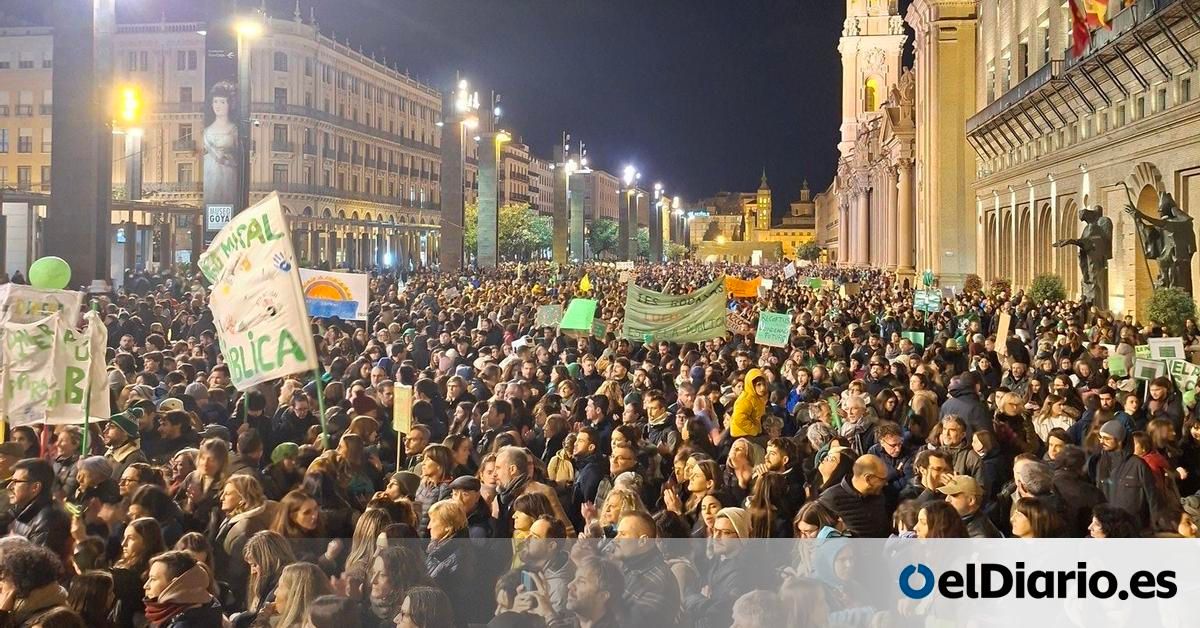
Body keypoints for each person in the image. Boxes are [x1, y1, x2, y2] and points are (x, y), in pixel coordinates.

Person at [610, 511, 681, 628]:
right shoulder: (624, 567)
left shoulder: (658, 583)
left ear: (642, 541)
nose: (615, 540)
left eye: (623, 534)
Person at [1091, 419, 1158, 530]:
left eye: (1107, 438)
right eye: (1100, 437)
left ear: (1120, 441)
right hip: (1108, 528)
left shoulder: (1138, 464)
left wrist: (1153, 526)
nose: (1102, 441)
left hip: (1133, 528)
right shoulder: (1100, 462)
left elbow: (1152, 498)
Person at [5, 458, 72, 561]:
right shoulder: (19, 511)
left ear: (35, 487)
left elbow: (38, 567)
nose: (10, 486)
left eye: (16, 482)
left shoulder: (48, 521)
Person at [141, 550, 223, 627]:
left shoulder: (186, 623)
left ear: (175, 584)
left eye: (153, 579)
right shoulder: (208, 608)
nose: (146, 585)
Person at [0, 542, 70, 628]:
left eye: (3, 579)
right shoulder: (58, 604)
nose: (1, 585)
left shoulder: (41, 624)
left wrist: (2, 614)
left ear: (18, 584)